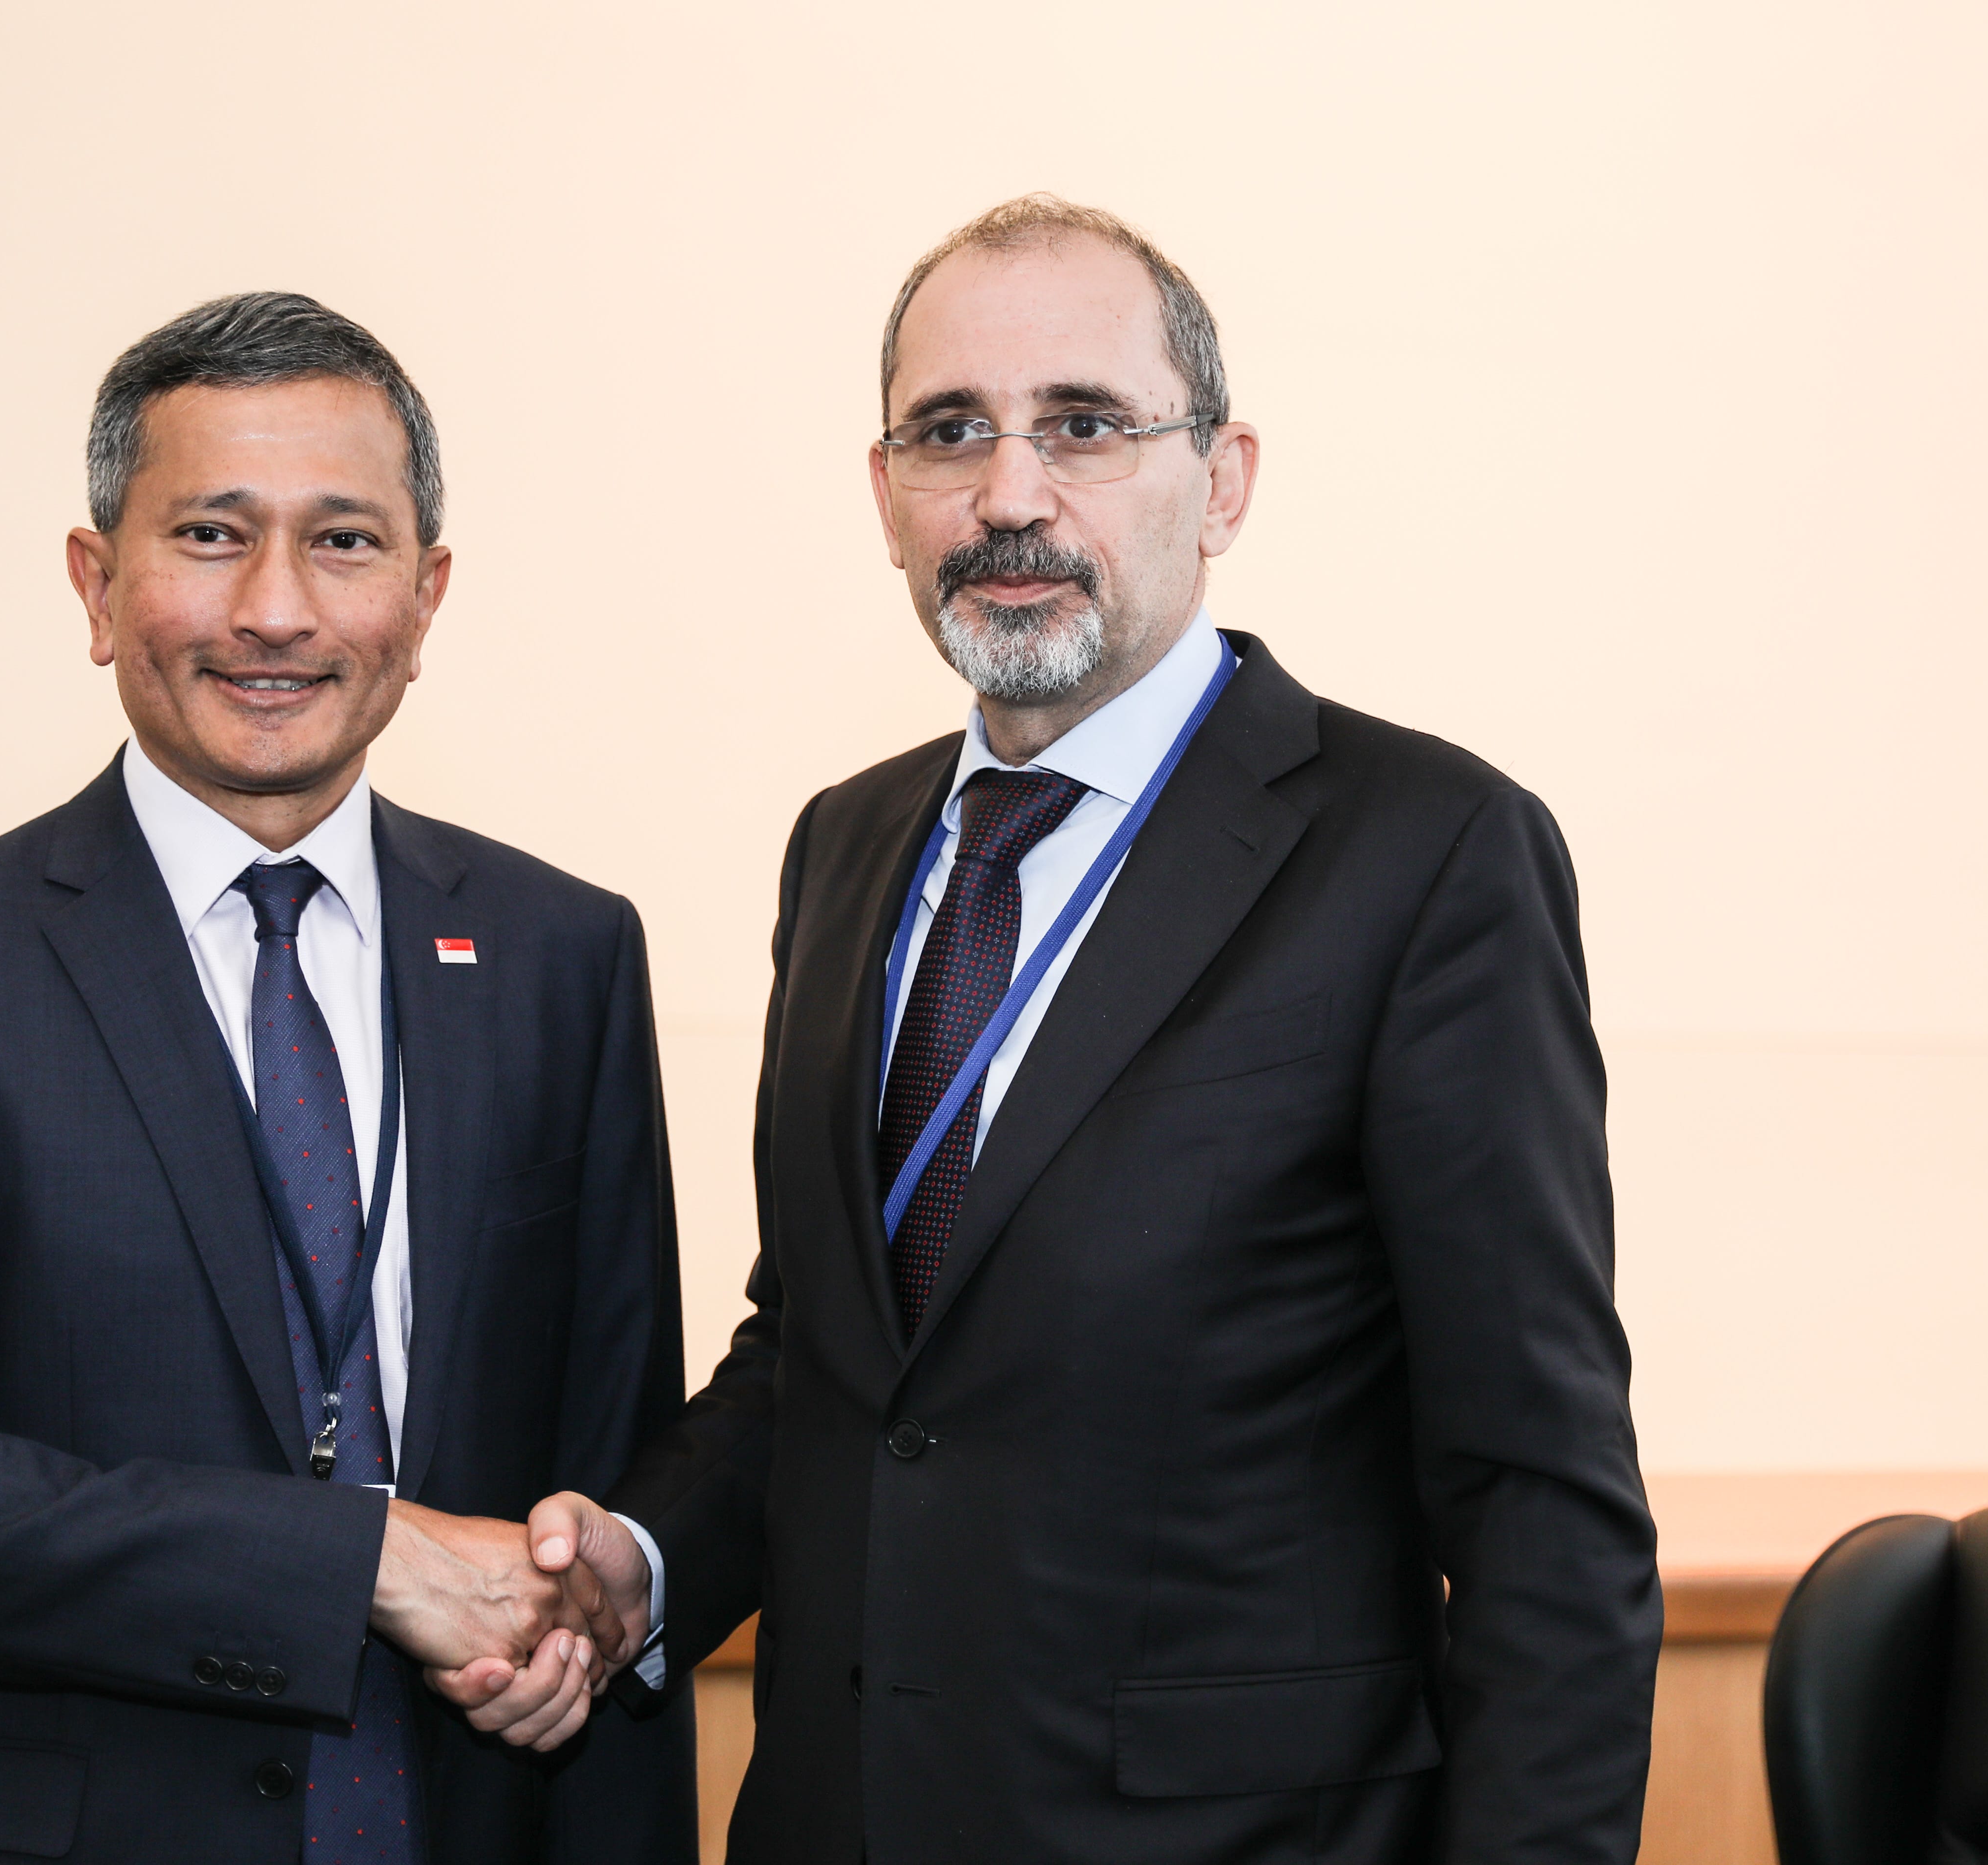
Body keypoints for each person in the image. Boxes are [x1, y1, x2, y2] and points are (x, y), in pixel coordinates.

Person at [482, 197, 1663, 1862]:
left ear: (1225, 479)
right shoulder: (847, 847)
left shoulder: (1426, 851)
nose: (1011, 496)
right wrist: (647, 1560)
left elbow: (1541, 1496)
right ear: (884, 493)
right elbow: (835, 1357)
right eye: (950, 433)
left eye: (1086, 427)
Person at [0, 292, 694, 1865]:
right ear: (98, 585)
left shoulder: (561, 955)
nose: (275, 610)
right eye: (209, 535)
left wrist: (592, 1601)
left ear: (428, 595)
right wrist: (354, 1558)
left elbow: (609, 1443)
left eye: (345, 543)